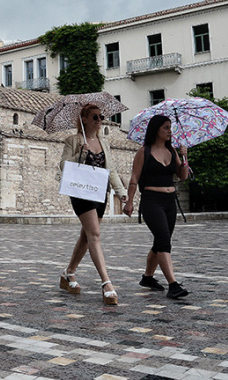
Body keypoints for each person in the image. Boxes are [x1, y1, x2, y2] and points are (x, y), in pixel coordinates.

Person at [58, 104, 127, 306]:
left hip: (99, 191)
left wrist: (121, 192)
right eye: (95, 117)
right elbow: (63, 165)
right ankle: (106, 283)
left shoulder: (103, 142)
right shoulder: (73, 141)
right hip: (81, 191)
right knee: (95, 234)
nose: (99, 120)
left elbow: (111, 170)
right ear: (84, 119)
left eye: (101, 116)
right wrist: (80, 153)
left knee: (86, 235)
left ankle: (68, 273)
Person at [123, 115, 191, 299]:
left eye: (170, 127)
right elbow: (134, 179)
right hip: (152, 201)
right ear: (156, 130)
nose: (170, 131)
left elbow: (183, 176)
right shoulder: (143, 152)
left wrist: (185, 157)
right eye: (166, 127)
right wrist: (129, 201)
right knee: (163, 240)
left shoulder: (172, 151)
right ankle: (173, 285)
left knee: (160, 241)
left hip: (170, 202)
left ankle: (147, 278)